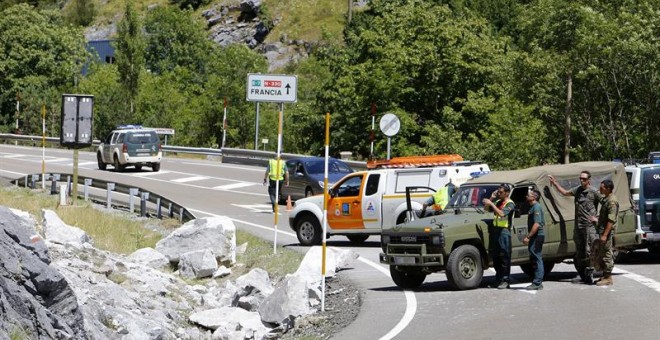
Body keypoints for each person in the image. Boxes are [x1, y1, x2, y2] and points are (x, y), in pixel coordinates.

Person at [549, 171, 601, 283]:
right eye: (580, 178)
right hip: (579, 225)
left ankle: (590, 273)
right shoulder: (577, 190)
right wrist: (555, 183)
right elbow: (565, 193)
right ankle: (582, 274)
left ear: (589, 180)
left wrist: (598, 218)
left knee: (589, 250)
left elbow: (605, 203)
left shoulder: (593, 192)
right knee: (580, 250)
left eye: (584, 179)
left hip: (589, 226)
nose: (581, 180)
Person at [483, 184, 515, 289]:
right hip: (496, 231)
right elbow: (486, 209)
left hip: (504, 232)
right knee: (496, 257)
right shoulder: (497, 202)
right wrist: (491, 198)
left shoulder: (510, 203)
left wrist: (491, 203)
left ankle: (506, 280)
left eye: (500, 192)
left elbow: (502, 214)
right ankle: (498, 279)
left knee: (505, 257)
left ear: (506, 193)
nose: (499, 194)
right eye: (498, 192)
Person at [590, 179, 618, 286]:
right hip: (602, 231)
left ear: (608, 189)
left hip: (606, 233)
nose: (600, 189)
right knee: (601, 253)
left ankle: (608, 278)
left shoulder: (612, 202)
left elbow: (611, 220)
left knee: (607, 254)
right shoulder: (607, 199)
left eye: (602, 188)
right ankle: (604, 276)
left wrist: (605, 235)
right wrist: (597, 220)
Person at [523, 189, 545, 290]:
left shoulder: (536, 207)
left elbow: (536, 224)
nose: (526, 196)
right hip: (535, 236)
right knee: (535, 258)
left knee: (537, 258)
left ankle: (537, 283)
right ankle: (537, 281)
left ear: (534, 197)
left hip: (537, 236)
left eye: (529, 195)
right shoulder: (533, 207)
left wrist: (528, 236)